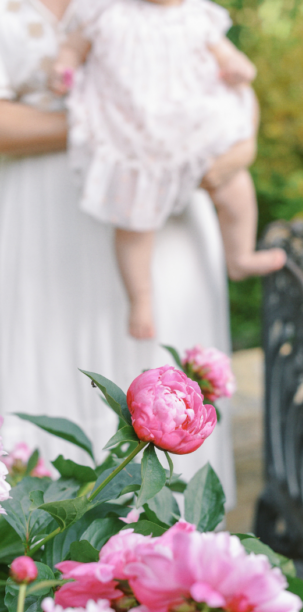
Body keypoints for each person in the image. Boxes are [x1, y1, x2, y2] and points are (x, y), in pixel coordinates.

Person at [0, 0, 237, 501]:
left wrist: (237, 144)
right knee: (42, 372)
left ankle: (165, 551)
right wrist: (113, 121)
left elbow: (233, 90)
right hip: (39, 226)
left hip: (166, 221)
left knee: (160, 373)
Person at [51, 0, 286, 339]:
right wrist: (63, 69)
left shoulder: (195, 16)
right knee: (134, 221)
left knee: (234, 186)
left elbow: (228, 55)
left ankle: (240, 255)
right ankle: (141, 300)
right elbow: (72, 47)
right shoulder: (106, 12)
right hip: (134, 131)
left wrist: (239, 68)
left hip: (190, 126)